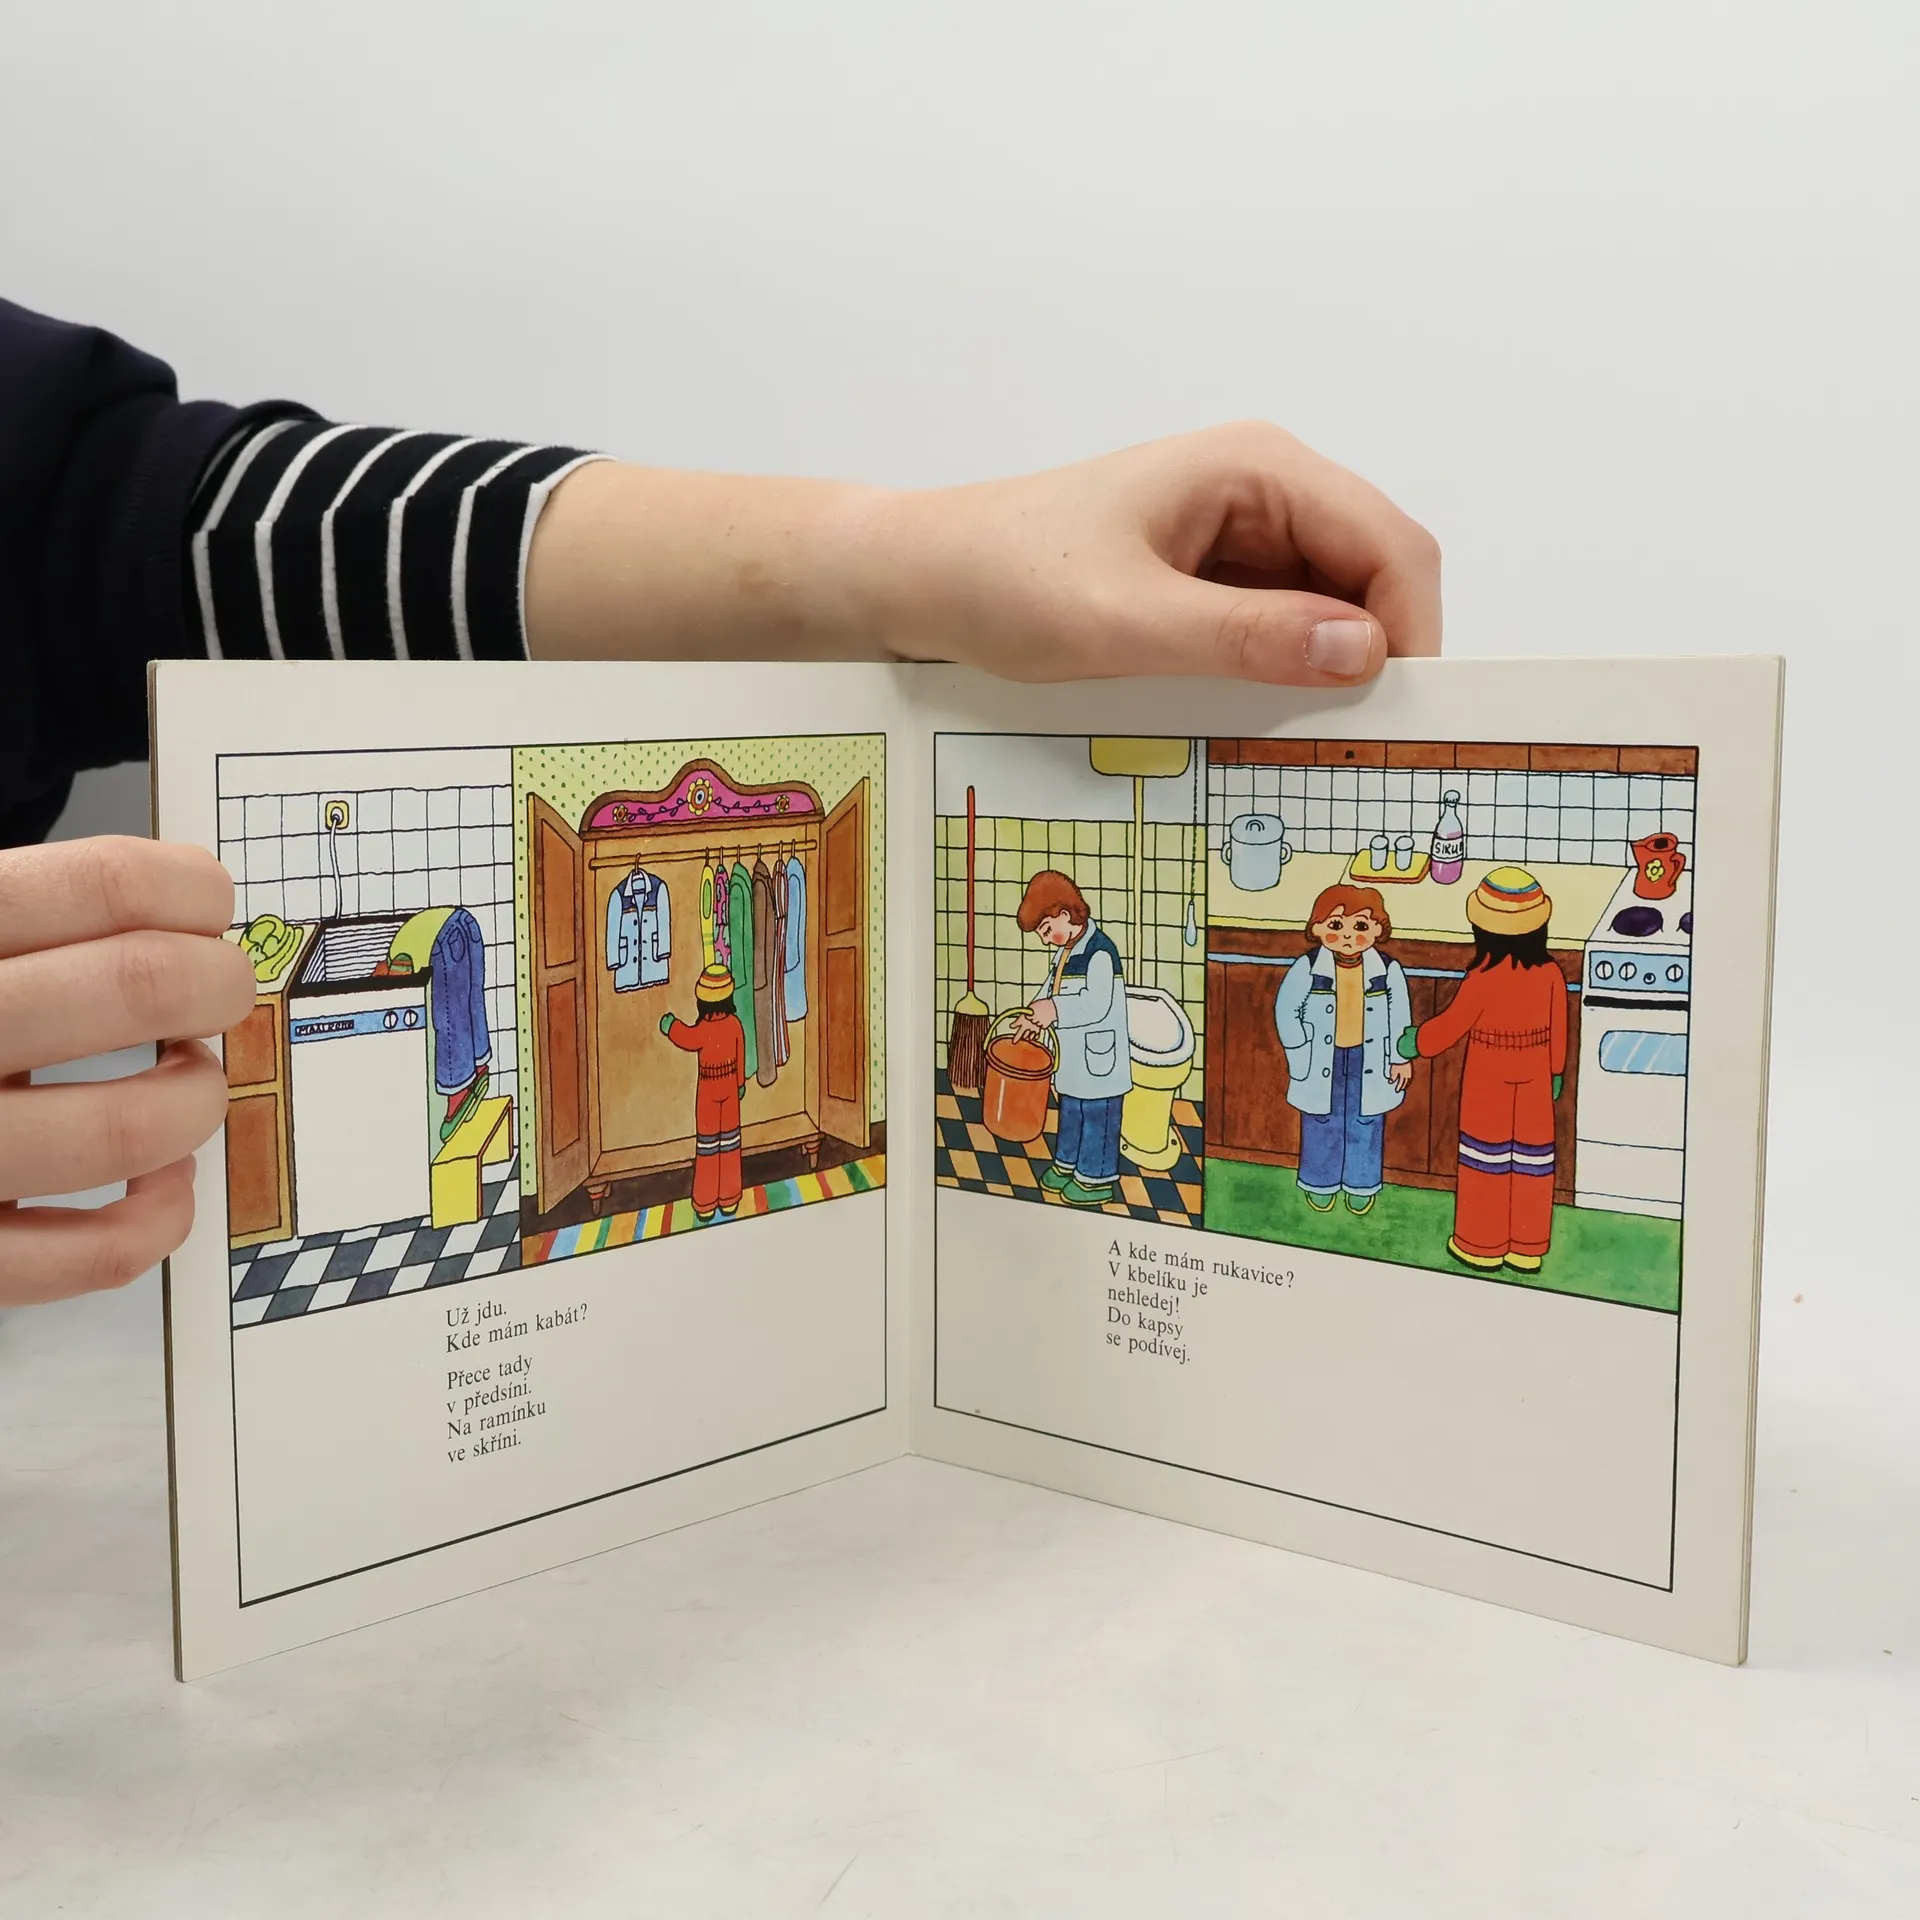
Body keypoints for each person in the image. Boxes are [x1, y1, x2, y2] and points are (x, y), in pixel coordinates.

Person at [0, 297, 1440, 1303]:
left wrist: (891, 559)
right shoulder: (725, 967)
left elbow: (135, 519)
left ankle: (1281, 1173)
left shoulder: (784, 959)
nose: (1056, 937)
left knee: (1131, 1126)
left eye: (1058, 927)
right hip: (731, 1097)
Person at [1399, 868, 1566, 1274]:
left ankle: (1481, 1245)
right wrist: (1555, 1072)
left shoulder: (1482, 978)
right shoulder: (1551, 973)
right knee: (1531, 1163)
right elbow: (1560, 1028)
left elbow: (1450, 1026)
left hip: (1488, 1081)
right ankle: (1526, 1247)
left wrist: (1415, 1042)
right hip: (1536, 1080)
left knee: (1485, 1161)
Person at [1272, 884, 1414, 1214]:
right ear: (1317, 927)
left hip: (1370, 1059)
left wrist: (1400, 1058)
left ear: (1378, 930)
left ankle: (1361, 1183)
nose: (1348, 935)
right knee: (1321, 1120)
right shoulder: (1308, 968)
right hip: (1322, 1059)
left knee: (1367, 1121)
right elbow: (1287, 1011)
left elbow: (1400, 1017)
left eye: (1361, 926)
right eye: (1336, 925)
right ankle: (1319, 1181)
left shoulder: (1386, 970)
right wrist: (1299, 1052)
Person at [1014, 870, 1130, 1209]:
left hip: (1099, 1061)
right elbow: (1050, 989)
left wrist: (1052, 1010)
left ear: (1064, 914)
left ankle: (1095, 1179)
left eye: (1046, 930)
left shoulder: (1100, 952)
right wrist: (1032, 1016)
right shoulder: (1066, 952)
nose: (1045, 940)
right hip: (1075, 1059)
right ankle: (1066, 1165)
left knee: (1097, 1118)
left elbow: (1096, 1004)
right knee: (1071, 1112)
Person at [659, 965, 749, 1222]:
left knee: (708, 1149)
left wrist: (670, 1026)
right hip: (730, 1093)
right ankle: (729, 1199)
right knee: (730, 1145)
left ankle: (706, 1203)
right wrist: (740, 1084)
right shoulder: (735, 1025)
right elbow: (741, 1055)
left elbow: (686, 1037)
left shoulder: (703, 1029)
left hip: (708, 1097)